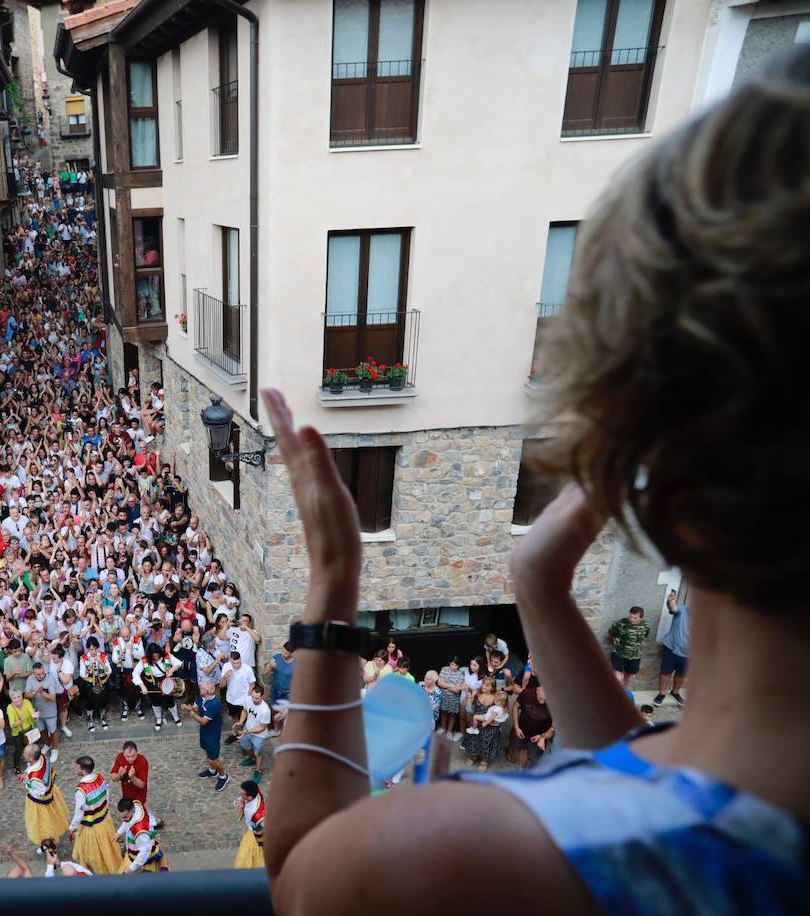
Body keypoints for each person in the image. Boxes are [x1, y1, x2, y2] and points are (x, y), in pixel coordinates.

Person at [261, 49, 810, 912]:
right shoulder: (723, 815)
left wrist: (333, 589)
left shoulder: (462, 853)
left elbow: (298, 874)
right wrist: (537, 589)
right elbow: (654, 789)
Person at [67, 756, 122, 876]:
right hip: (104, 820)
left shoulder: (81, 790)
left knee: (92, 854)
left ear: (83, 770)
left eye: (77, 767)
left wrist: (71, 829)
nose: (75, 769)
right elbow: (107, 794)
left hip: (91, 826)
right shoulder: (100, 777)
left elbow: (79, 813)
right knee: (108, 849)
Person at [21, 742, 69, 851]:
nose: (23, 754)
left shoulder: (36, 777)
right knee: (53, 818)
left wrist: (27, 783)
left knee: (43, 825)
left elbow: (39, 793)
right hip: (52, 792)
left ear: (32, 757)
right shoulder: (42, 757)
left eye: (25, 754)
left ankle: (49, 846)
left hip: (41, 803)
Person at [184, 679, 230, 792]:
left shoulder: (214, 703)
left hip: (212, 733)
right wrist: (188, 708)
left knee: (213, 759)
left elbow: (204, 721)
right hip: (204, 731)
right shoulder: (202, 697)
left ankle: (223, 776)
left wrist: (191, 714)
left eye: (201, 688)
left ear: (207, 691)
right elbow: (195, 707)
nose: (199, 688)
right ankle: (212, 770)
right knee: (206, 749)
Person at [116, 798, 169, 873]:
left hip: (141, 857)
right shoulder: (136, 806)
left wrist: (130, 869)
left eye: (124, 817)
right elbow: (127, 823)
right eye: (121, 817)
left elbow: (144, 853)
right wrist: (119, 832)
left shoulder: (140, 832)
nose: (122, 820)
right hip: (142, 845)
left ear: (132, 811)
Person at [655, 591, 690, 706]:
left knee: (681, 674)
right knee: (665, 672)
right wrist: (670, 601)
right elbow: (673, 608)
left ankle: (675, 692)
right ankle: (662, 693)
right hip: (671, 647)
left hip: (688, 653)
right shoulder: (682, 609)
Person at [235, 683, 273, 784]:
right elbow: (244, 711)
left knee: (258, 753)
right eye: (253, 697)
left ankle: (258, 770)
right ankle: (252, 759)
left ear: (263, 697)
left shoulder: (265, 710)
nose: (254, 700)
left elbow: (262, 728)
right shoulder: (248, 699)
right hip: (247, 728)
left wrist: (246, 731)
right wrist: (240, 722)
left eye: (257, 698)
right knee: (247, 747)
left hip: (259, 735)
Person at [24, 660, 61, 762]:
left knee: (53, 731)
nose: (40, 676)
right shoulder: (30, 679)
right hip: (37, 712)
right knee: (42, 730)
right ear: (33, 673)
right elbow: (26, 696)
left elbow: (53, 698)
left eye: (42, 673)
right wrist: (35, 691)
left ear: (44, 670)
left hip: (50, 711)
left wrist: (42, 692)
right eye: (38, 674)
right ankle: (47, 745)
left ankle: (55, 749)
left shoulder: (50, 679)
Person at [606, 605, 650, 688]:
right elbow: (610, 634)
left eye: (635, 618)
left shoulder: (646, 626)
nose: (632, 619)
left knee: (627, 675)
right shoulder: (621, 623)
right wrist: (616, 642)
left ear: (641, 618)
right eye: (631, 616)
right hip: (619, 654)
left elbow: (644, 637)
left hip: (634, 656)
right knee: (617, 677)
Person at [79, 636, 112, 731]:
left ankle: (102, 717)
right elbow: (82, 674)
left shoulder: (103, 656)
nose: (92, 651)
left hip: (102, 682)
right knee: (89, 702)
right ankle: (90, 719)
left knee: (103, 700)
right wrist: (89, 668)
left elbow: (109, 671)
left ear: (97, 648)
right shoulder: (84, 658)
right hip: (90, 683)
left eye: (94, 649)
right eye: (90, 649)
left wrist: (101, 662)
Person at [233, 780, 266, 870]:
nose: (240, 796)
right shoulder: (256, 792)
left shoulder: (255, 813)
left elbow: (261, 831)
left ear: (250, 797)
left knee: (249, 855)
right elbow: (239, 800)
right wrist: (238, 802)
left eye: (242, 795)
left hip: (254, 836)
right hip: (253, 830)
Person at [108, 740, 149, 805]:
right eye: (127, 756)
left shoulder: (142, 761)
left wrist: (132, 777)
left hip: (139, 798)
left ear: (137, 753)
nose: (130, 759)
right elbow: (113, 778)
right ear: (123, 754)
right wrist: (119, 775)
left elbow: (142, 785)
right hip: (126, 797)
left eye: (133, 756)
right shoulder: (120, 757)